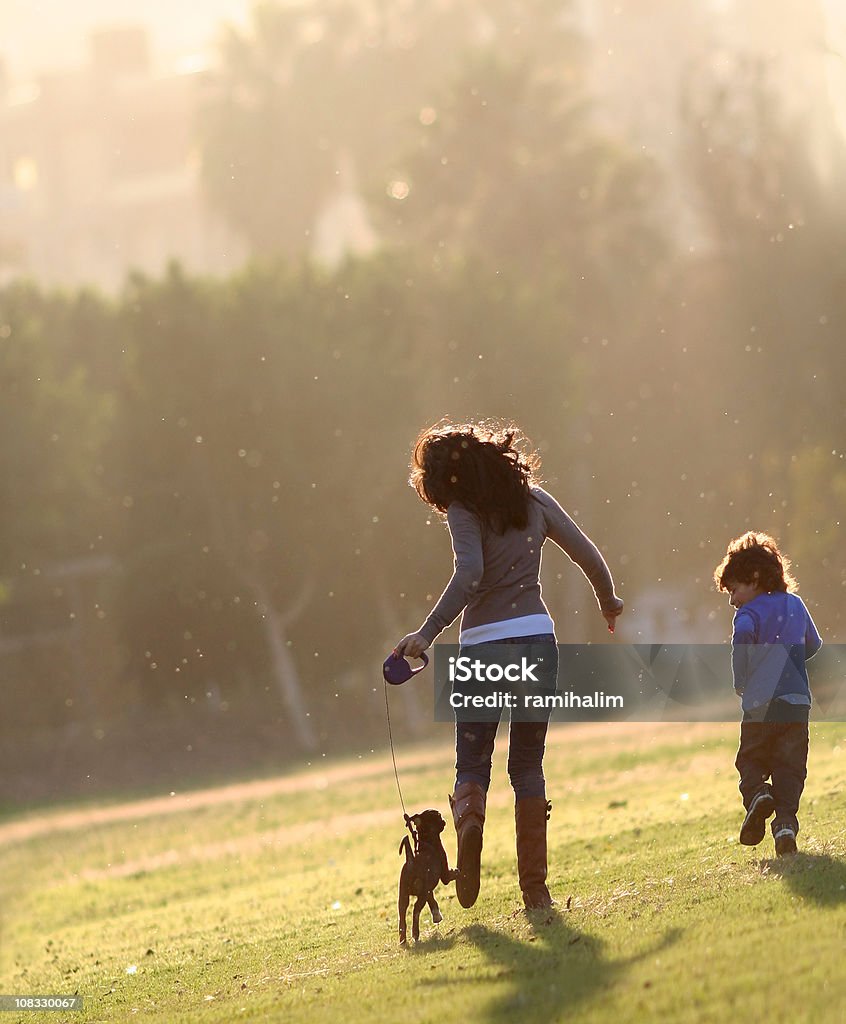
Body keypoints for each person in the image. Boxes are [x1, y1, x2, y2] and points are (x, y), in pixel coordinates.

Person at [394, 421, 623, 909]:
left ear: (443, 481)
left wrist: (426, 633)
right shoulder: (534, 500)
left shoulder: (463, 511)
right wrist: (608, 601)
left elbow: (470, 573)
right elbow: (588, 555)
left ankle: (471, 823)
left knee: (473, 762)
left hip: (483, 647)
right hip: (537, 642)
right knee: (527, 765)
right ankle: (535, 889)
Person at [713, 531, 822, 856]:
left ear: (755, 577)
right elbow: (813, 644)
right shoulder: (795, 604)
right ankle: (785, 823)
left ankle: (759, 794)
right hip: (796, 705)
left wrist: (741, 679)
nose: (732, 600)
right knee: (790, 768)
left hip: (760, 704)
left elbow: (743, 638)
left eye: (734, 590)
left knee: (750, 759)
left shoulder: (747, 614)